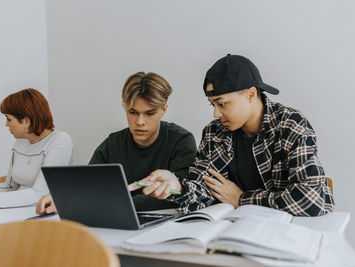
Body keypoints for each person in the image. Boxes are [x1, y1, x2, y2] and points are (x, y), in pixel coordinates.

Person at [136, 54, 335, 216]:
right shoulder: (214, 133)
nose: (215, 113)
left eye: (222, 104)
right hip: (235, 233)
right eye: (212, 105)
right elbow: (203, 190)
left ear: (250, 94)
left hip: (292, 236)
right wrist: (177, 186)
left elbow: (311, 199)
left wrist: (242, 199)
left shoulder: (291, 125)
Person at [36, 72, 196, 214]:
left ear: (164, 110)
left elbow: (178, 195)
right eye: (132, 112)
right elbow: (88, 183)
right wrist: (65, 197)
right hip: (114, 219)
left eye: (149, 113)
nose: (140, 121)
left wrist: (96, 203)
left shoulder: (181, 141)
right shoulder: (113, 143)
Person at [0, 88, 73, 208]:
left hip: (42, 213)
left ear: (26, 121)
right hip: (16, 209)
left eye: (8, 119)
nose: (6, 124)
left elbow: (38, 195)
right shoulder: (20, 143)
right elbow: (9, 187)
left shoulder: (60, 141)